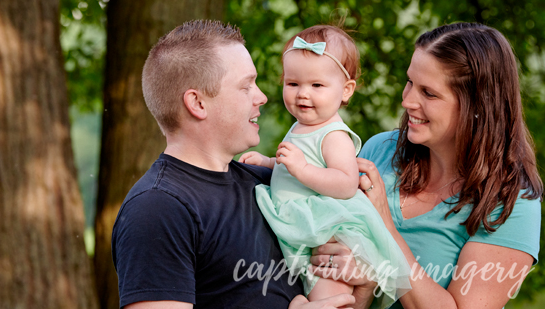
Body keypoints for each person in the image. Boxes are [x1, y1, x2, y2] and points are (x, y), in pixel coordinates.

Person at [111, 20, 358, 309]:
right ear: (198, 103)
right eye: (246, 86)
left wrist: (358, 284)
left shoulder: (270, 186)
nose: (262, 97)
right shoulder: (158, 209)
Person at [311, 23, 543, 309]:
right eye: (409, 82)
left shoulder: (512, 204)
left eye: (429, 93)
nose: (407, 100)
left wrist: (386, 231)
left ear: (478, 106)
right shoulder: (379, 151)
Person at [240, 26, 411, 308]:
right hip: (307, 224)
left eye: (317, 86)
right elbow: (296, 170)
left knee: (328, 289)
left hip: (329, 231)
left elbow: (344, 183)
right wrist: (270, 163)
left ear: (346, 91)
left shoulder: (334, 135)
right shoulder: (302, 125)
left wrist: (301, 169)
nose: (303, 94)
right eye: (293, 84)